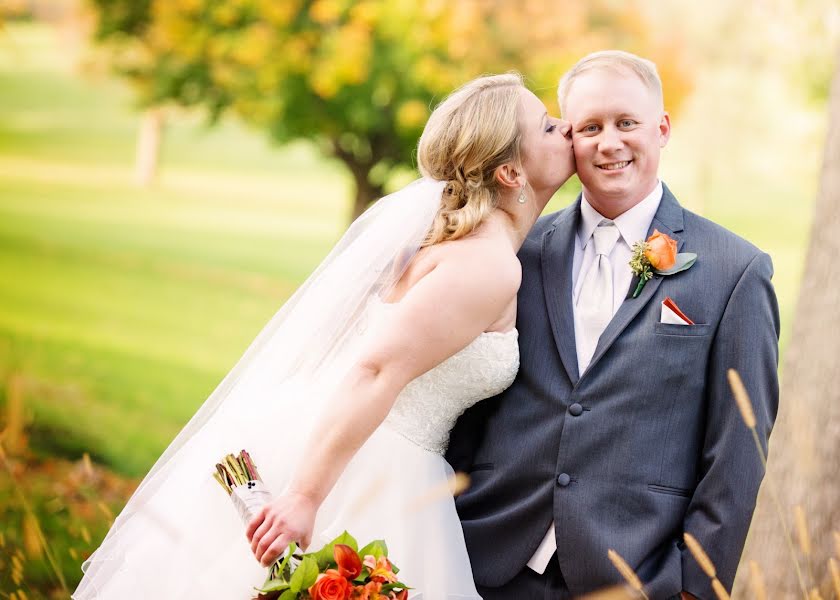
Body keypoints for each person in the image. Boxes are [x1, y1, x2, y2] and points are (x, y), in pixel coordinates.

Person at [73, 72, 575, 599]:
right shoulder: (487, 264)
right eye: (547, 125)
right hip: (365, 468)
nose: (565, 129)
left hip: (361, 448)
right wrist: (305, 497)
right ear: (511, 170)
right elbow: (375, 368)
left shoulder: (465, 247)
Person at [446, 50, 780, 600]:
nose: (609, 142)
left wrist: (694, 585)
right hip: (486, 561)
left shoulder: (734, 271)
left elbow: (739, 448)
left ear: (662, 129)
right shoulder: (515, 253)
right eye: (589, 127)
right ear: (567, 137)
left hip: (636, 574)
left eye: (627, 123)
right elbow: (465, 394)